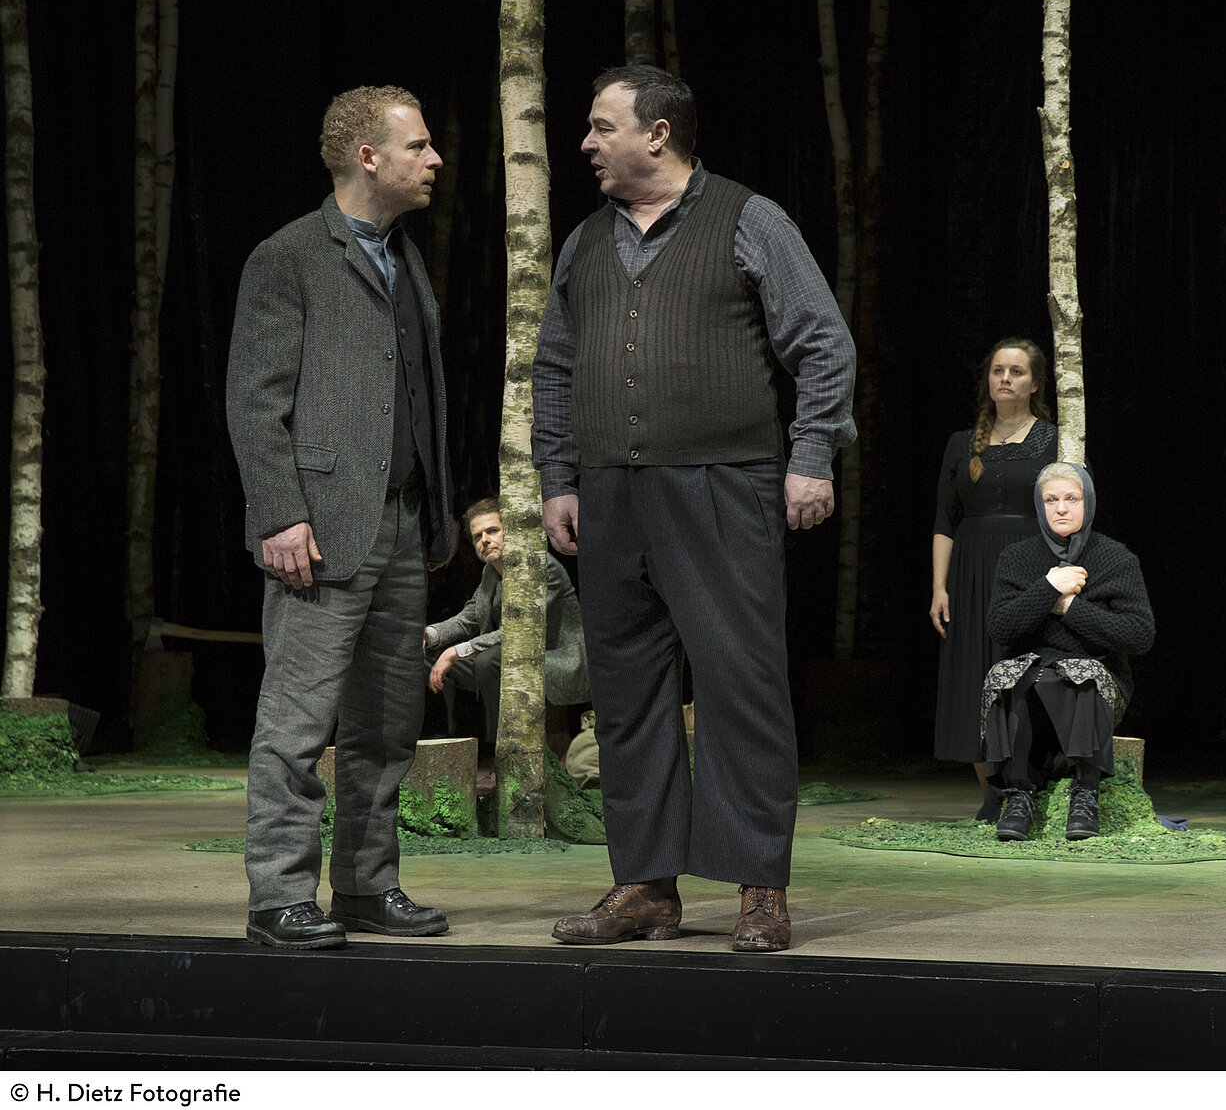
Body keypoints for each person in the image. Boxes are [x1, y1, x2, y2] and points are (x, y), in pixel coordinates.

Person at [531, 65, 856, 953]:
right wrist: (558, 477)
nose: (587, 143)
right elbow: (555, 367)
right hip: (611, 493)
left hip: (723, 485)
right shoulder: (585, 242)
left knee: (740, 686)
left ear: (658, 133)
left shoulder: (749, 220)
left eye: (602, 127)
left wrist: (811, 457)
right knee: (625, 694)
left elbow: (823, 344)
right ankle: (645, 885)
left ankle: (759, 888)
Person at [226, 86, 456, 948]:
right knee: (297, 725)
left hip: (400, 523)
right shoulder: (289, 256)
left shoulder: (405, 257)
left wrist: (435, 515)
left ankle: (365, 884)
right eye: (418, 146)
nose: (433, 160)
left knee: (387, 726)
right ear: (369, 157)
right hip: (318, 530)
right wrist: (280, 515)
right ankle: (279, 895)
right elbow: (255, 402)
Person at [982, 463, 1154, 841]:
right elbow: (1000, 627)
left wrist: (1069, 608)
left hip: (1098, 674)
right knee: (1006, 676)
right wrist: (1048, 587)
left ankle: (1084, 794)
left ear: (1087, 502)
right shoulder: (1016, 558)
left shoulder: (1116, 559)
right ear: (1039, 505)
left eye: (1071, 498)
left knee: (1081, 673)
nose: (1061, 508)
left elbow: (1139, 636)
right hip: (1032, 670)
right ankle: (1018, 796)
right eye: (1051, 500)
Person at [930, 338, 1059, 817]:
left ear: (1035, 383)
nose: (1005, 378)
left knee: (1023, 674)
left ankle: (1028, 787)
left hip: (1030, 569)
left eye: (1017, 371)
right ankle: (992, 795)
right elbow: (945, 521)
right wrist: (939, 587)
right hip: (970, 572)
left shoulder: (1055, 440)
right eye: (998, 370)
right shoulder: (962, 443)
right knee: (975, 675)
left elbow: (1070, 511)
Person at [424, 497, 593, 784]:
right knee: (424, 657)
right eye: (477, 536)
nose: (484, 540)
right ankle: (436, 752)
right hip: (515, 658)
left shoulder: (541, 568)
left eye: (492, 531)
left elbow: (518, 629)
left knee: (489, 660)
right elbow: (469, 618)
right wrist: (428, 635)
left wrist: (456, 651)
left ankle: (501, 758)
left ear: (511, 531)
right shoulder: (491, 573)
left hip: (557, 662)